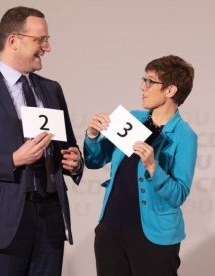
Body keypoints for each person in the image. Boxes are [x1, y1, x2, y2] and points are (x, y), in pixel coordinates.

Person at [0, 6, 83, 276]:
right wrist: (13, 160)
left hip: (49, 219)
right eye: (40, 40)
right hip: (2, 223)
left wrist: (75, 161)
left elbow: (67, 145)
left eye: (47, 39)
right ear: (13, 40)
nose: (47, 47)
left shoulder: (51, 89)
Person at [84, 55, 197, 276]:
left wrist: (153, 167)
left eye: (149, 81)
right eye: (143, 80)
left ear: (170, 90)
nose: (142, 87)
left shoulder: (185, 136)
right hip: (111, 230)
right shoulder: (132, 118)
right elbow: (94, 160)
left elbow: (178, 195)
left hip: (154, 236)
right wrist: (92, 135)